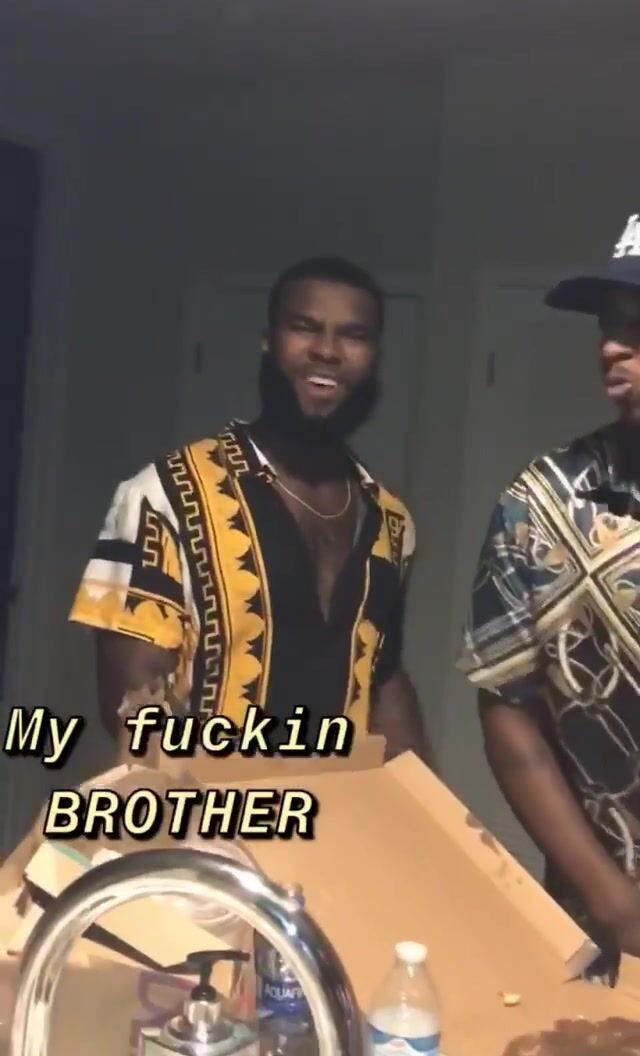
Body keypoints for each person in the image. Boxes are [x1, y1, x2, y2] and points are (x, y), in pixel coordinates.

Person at [69, 256, 430, 762]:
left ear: (374, 357)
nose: (327, 350)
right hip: (201, 805)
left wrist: (426, 803)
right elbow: (133, 708)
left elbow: (383, 675)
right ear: (268, 342)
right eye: (304, 327)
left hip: (338, 808)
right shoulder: (164, 494)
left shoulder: (390, 521)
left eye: (354, 335)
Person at [456, 213, 640, 981]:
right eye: (608, 325)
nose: (612, 347)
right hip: (608, 926)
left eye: (638, 324)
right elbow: (509, 710)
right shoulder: (541, 506)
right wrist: (618, 908)